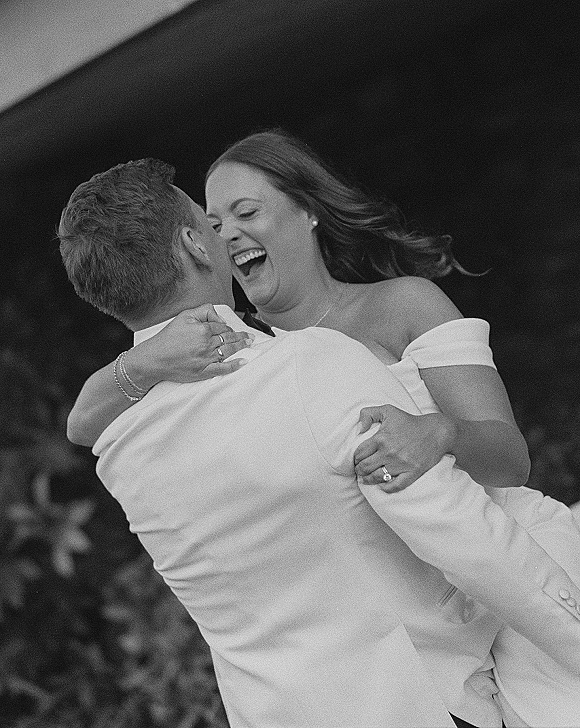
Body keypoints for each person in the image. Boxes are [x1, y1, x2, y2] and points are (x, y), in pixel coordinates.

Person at [58, 158, 580, 728]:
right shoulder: (312, 365)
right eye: (208, 224)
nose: (224, 235)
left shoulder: (119, 445)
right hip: (416, 705)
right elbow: (472, 541)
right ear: (194, 244)